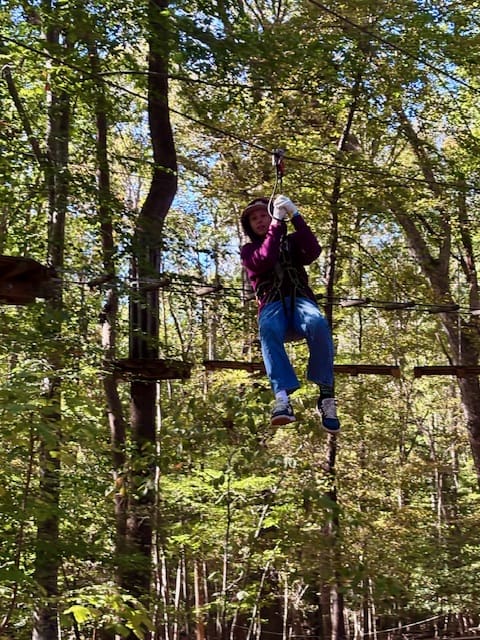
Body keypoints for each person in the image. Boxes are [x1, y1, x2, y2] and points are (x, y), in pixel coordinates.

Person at [240, 194, 340, 433]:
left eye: (263, 215)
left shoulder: (292, 242)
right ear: (249, 226)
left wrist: (295, 216)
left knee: (317, 323)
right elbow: (265, 259)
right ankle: (282, 397)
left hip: (300, 302)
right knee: (268, 330)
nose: (260, 220)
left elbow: (313, 250)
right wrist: (276, 223)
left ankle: (326, 394)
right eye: (254, 218)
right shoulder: (249, 250)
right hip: (272, 305)